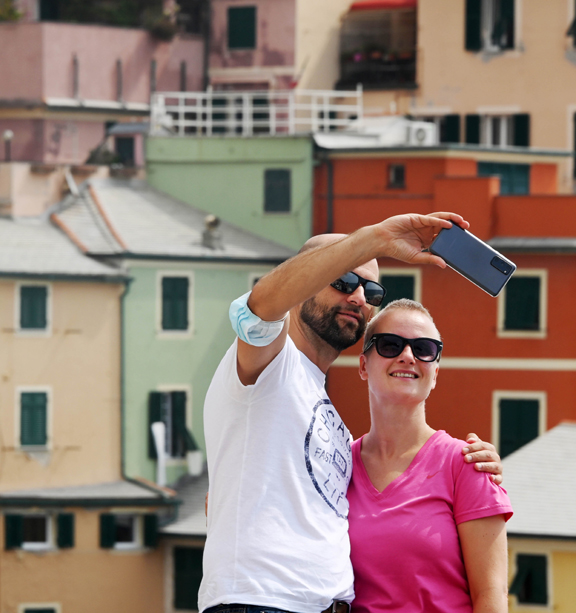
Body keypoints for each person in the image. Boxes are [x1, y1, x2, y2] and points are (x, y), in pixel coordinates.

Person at [200, 213, 503, 613]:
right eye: (343, 280)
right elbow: (257, 309)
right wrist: (375, 239)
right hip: (263, 603)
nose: (359, 297)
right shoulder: (271, 363)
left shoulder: (335, 425)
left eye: (371, 290)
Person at [349, 298, 511, 613]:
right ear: (363, 366)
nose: (407, 356)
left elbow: (491, 596)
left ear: (434, 372)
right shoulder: (337, 467)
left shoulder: (468, 465)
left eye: (424, 348)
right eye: (390, 344)